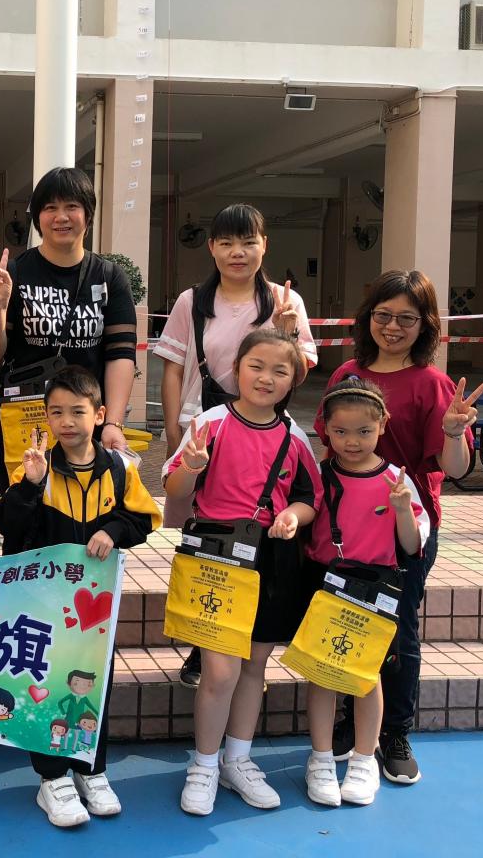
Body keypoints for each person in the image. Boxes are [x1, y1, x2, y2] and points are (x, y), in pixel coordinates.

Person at [314, 270, 483, 784]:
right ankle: (351, 722)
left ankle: (394, 733)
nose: (392, 327)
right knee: (345, 619)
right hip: (346, 526)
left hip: (406, 528)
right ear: (368, 318)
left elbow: (454, 468)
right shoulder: (347, 373)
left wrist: (453, 432)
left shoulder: (433, 384)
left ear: (425, 324)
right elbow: (328, 445)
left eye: (406, 318)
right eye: (383, 315)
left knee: (398, 630)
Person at [0, 366, 161, 827]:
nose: (66, 421)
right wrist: (29, 484)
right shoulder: (36, 467)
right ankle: (51, 778)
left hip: (93, 608)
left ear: (99, 414)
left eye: (77, 412)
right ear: (46, 417)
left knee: (92, 682)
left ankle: (90, 768)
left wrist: (113, 530)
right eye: (56, 412)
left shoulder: (119, 470)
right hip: (42, 604)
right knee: (44, 682)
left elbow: (144, 519)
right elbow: (6, 524)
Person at [154, 204, 316, 688]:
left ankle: (243, 639)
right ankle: (205, 643)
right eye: (226, 242)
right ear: (211, 248)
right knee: (204, 533)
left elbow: (296, 374)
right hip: (205, 429)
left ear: (264, 245)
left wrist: (287, 332)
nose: (237, 252)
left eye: (247, 242)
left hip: (262, 433)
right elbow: (173, 369)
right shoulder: (192, 302)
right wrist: (173, 434)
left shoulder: (286, 300)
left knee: (253, 530)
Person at [162, 329, 320, 818]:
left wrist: (292, 515)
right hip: (217, 559)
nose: (266, 378)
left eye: (280, 370)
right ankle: (204, 764)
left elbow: (310, 499)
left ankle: (238, 760)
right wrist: (191, 466)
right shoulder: (210, 422)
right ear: (236, 368)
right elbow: (175, 488)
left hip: (273, 561)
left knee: (254, 665)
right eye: (257, 366)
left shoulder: (295, 437)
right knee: (220, 670)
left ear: (294, 380)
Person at [303, 377, 429, 808]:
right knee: (321, 673)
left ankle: (363, 759)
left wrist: (401, 509)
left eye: (363, 431)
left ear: (382, 425)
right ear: (326, 429)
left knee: (367, 675)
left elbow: (411, 545)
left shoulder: (396, 479)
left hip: (375, 588)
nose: (351, 441)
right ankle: (321, 758)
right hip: (325, 584)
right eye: (340, 431)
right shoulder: (320, 476)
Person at [0, 167, 138, 455]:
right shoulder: (15, 273)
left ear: (88, 214)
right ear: (38, 217)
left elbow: (120, 355)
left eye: (71, 206)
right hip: (25, 424)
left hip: (87, 428)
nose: (61, 217)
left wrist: (113, 423)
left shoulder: (109, 277)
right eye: (50, 208)